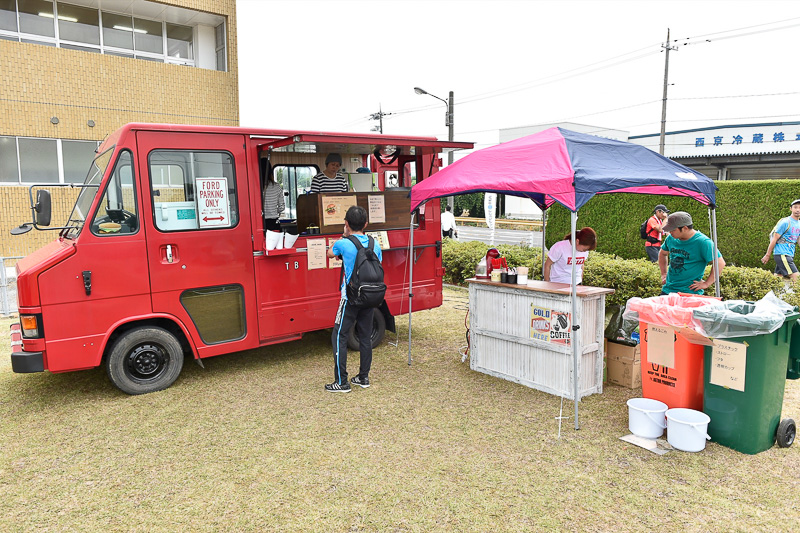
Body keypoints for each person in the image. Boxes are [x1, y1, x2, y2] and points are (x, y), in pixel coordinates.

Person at [325, 205, 382, 393]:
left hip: (349, 298)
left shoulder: (344, 243)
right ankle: (363, 377)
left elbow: (330, 253)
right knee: (365, 336)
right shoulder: (375, 244)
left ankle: (341, 382)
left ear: (346, 223)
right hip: (369, 297)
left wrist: (344, 235)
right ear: (365, 224)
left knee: (339, 335)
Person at [659, 211, 725, 295]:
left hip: (689, 293)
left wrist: (707, 283)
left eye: (673, 230)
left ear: (685, 228)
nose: (670, 232)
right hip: (668, 290)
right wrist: (663, 274)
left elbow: (720, 262)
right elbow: (662, 253)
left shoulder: (703, 242)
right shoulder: (671, 238)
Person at [761, 199, 800, 281]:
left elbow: (798, 240)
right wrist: (768, 255)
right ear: (791, 209)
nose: (797, 210)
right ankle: (796, 294)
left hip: (789, 254)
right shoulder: (785, 222)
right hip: (782, 254)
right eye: (795, 207)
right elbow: (774, 239)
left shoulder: (799, 224)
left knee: (778, 279)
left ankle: (768, 292)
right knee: (797, 278)